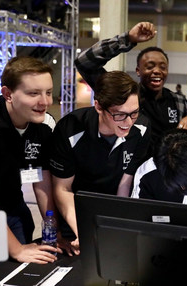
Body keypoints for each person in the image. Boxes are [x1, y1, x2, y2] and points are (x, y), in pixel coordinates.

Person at [0, 56, 63, 263]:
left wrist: (55, 233)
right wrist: (17, 250)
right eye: (33, 93)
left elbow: (43, 182)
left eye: (48, 92)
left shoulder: (46, 125)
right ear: (8, 94)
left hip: (13, 206)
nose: (45, 102)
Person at [74, 22, 187, 157]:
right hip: (129, 174)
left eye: (162, 67)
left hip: (165, 174)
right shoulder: (122, 95)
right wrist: (127, 38)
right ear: (138, 71)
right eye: (150, 66)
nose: (157, 71)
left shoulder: (178, 101)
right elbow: (84, 62)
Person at [50, 71, 151, 254]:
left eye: (134, 113)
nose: (128, 122)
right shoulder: (70, 128)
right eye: (119, 115)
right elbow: (62, 189)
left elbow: (125, 183)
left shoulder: (141, 129)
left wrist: (118, 226)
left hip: (112, 214)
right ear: (98, 106)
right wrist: (81, 230)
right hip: (74, 214)